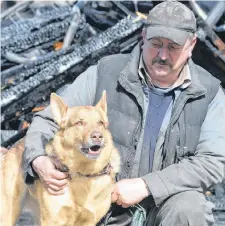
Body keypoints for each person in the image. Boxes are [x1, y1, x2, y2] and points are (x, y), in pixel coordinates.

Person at [23, 1, 225, 225]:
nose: (163, 55)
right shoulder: (106, 73)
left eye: (173, 47)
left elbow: (214, 161)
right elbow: (47, 120)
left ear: (192, 44)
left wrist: (147, 186)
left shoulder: (209, 93)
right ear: (143, 35)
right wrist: (38, 159)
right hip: (104, 201)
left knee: (190, 208)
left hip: (165, 205)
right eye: (155, 43)